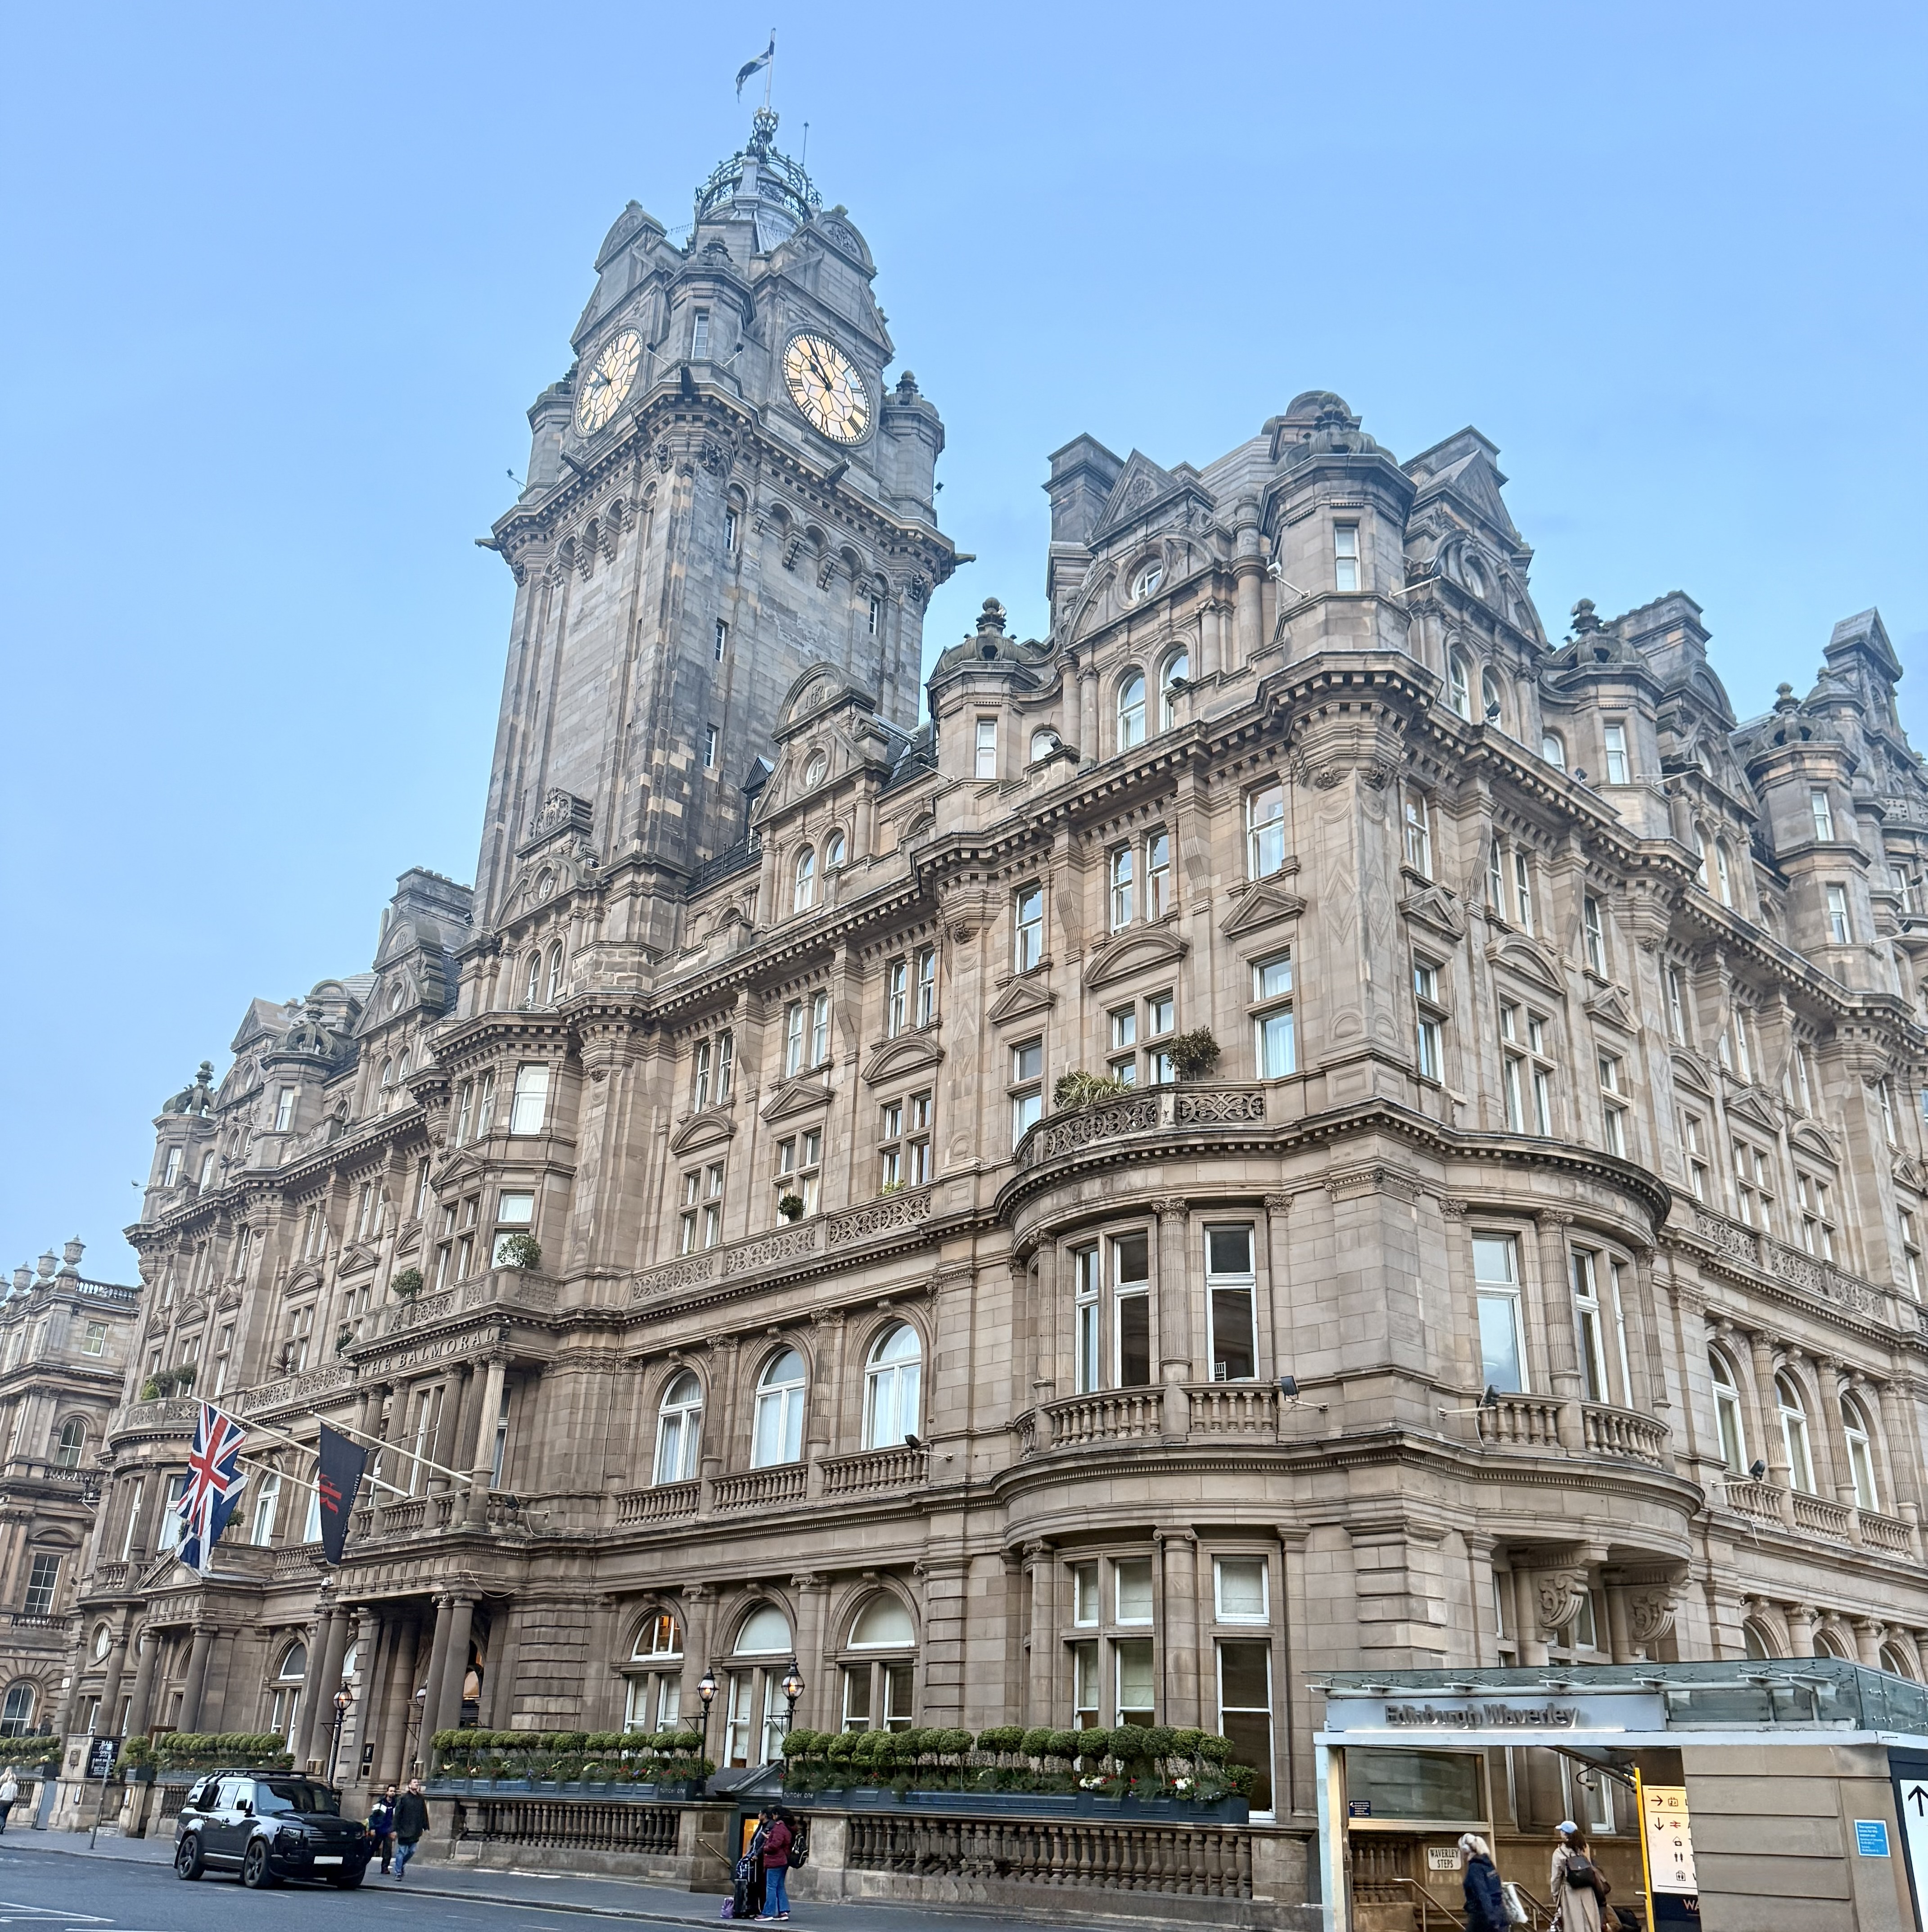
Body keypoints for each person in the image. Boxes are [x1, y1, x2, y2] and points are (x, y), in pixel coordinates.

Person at [1551, 1821, 1606, 1932]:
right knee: (1590, 1922)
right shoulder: (1585, 1848)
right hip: (1588, 1891)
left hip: (1570, 1892)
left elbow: (1556, 1877)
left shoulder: (1559, 1853)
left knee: (1574, 1925)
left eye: (1562, 1831)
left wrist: (1556, 1896)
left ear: (1565, 1834)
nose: (1560, 1833)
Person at [1460, 1833, 1506, 1932]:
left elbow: (1482, 1892)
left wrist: (1492, 1918)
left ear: (1466, 1851)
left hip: (1482, 1916)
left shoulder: (1475, 1868)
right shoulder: (1488, 1864)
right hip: (1500, 1913)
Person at [758, 1806, 794, 1923]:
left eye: (774, 1815)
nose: (772, 1817)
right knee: (780, 1886)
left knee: (771, 1887)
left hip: (775, 1860)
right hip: (784, 1860)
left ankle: (768, 1913)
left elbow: (776, 1844)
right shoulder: (788, 1827)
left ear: (777, 1814)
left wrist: (767, 1846)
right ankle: (783, 1911)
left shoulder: (779, 1827)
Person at [392, 1778, 429, 1880]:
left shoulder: (420, 1799)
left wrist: (425, 1825)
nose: (417, 1784)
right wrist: (395, 1829)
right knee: (401, 1851)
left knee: (412, 1851)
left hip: (415, 1830)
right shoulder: (404, 1798)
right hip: (404, 1829)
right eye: (414, 1783)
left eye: (417, 1783)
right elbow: (398, 1814)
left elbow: (424, 1813)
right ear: (410, 1785)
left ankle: (400, 1864)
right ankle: (398, 1873)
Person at [367, 1785, 397, 1875]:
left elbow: (398, 1819)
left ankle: (385, 1868)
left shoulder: (396, 1805)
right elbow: (373, 1817)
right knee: (373, 1848)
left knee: (388, 1851)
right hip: (379, 1829)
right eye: (391, 1791)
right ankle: (363, 1863)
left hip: (389, 1831)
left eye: (394, 1791)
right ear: (387, 1792)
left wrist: (395, 1830)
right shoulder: (380, 1803)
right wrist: (372, 1828)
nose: (393, 1793)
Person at [0, 1769, 17, 1833]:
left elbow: (1, 1794)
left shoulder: (5, 1785)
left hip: (3, 1800)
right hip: (10, 1801)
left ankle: (1, 1825)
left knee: (1, 1814)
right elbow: (15, 1795)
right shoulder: (16, 1786)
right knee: (5, 1814)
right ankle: (3, 1825)